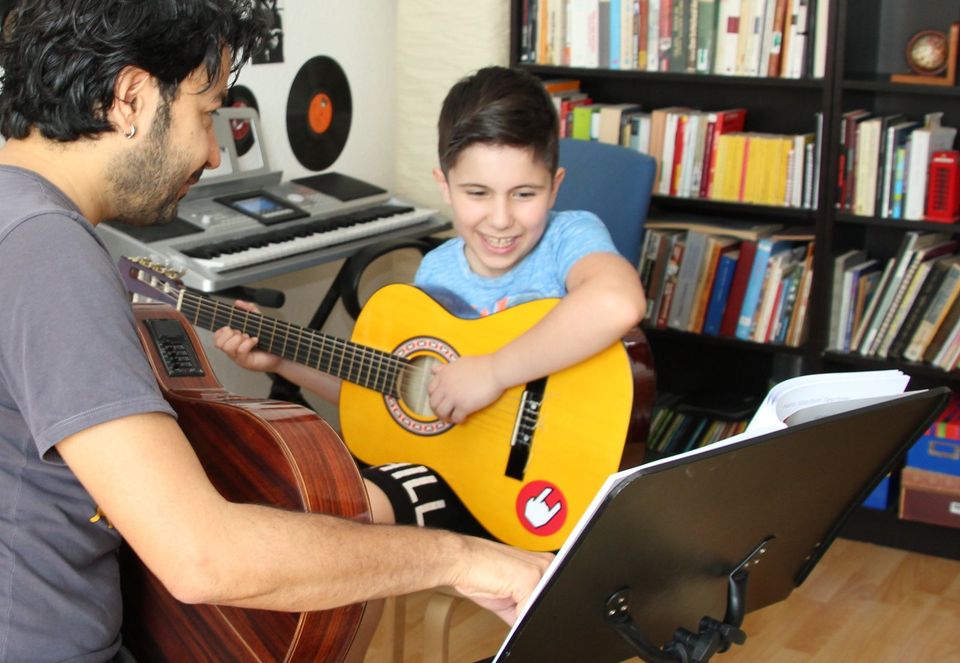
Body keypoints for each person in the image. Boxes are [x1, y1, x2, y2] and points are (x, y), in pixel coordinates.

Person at [0, 4, 552, 662]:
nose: (212, 150)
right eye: (207, 114)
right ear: (131, 98)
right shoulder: (49, 250)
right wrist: (466, 557)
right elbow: (200, 554)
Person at [215, 65, 647, 540]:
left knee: (356, 520)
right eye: (477, 193)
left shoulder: (570, 236)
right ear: (444, 185)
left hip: (540, 488)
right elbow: (392, 400)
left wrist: (494, 371)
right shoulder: (435, 272)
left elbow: (616, 302)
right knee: (340, 511)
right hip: (460, 482)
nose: (501, 219)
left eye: (524, 194)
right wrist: (283, 362)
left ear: (556, 186)